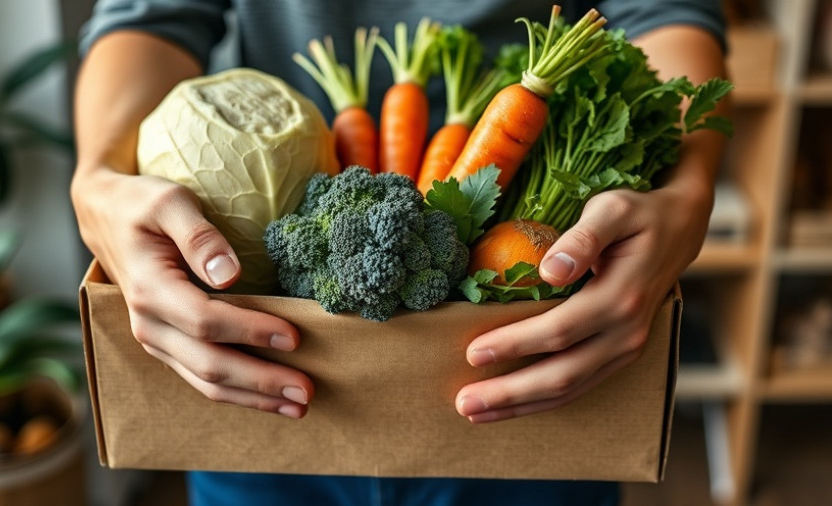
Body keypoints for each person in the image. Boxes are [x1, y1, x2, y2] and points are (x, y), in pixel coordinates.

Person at [71, 0, 729, 504]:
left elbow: (666, 13)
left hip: (539, 367)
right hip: (253, 376)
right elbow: (151, 13)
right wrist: (98, 174)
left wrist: (687, 193)